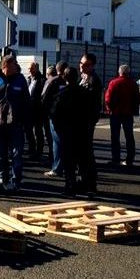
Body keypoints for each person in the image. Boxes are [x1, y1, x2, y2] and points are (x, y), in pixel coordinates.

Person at [0, 55, 30, 192]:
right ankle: (3, 178)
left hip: (16, 124)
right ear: (6, 66)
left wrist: (25, 121)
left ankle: (15, 181)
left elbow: (26, 102)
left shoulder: (20, 80)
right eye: (14, 63)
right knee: (1, 153)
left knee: (16, 154)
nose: (17, 66)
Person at [50, 67, 89, 197]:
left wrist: (58, 128)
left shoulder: (62, 93)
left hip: (67, 131)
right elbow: (92, 110)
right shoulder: (84, 92)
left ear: (64, 78)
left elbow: (54, 113)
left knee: (68, 161)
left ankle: (70, 186)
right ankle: (85, 184)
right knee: (82, 159)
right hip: (82, 130)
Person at [105, 65, 140, 167]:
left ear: (119, 72)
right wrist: (133, 109)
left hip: (115, 113)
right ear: (128, 72)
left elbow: (108, 99)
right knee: (129, 136)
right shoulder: (133, 83)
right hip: (128, 113)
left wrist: (109, 109)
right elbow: (137, 99)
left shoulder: (113, 83)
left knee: (115, 137)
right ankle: (129, 159)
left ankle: (116, 159)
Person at [78, 53, 101, 192]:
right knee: (82, 152)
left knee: (86, 152)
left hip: (86, 121)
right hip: (80, 121)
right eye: (81, 63)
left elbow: (90, 103)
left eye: (85, 64)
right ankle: (84, 179)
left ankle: (90, 182)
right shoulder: (83, 78)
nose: (82, 66)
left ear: (92, 66)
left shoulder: (93, 81)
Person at [42, 61, 68, 177]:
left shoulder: (53, 81)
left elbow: (43, 98)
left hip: (55, 116)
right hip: (67, 116)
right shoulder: (69, 81)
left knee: (56, 142)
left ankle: (57, 168)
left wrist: (49, 111)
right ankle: (66, 166)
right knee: (66, 142)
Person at [25, 62, 45, 160]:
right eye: (29, 69)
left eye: (32, 68)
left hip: (38, 111)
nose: (30, 70)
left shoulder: (42, 80)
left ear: (36, 68)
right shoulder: (29, 79)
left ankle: (39, 152)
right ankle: (31, 150)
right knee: (28, 131)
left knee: (38, 132)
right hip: (28, 110)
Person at [41, 65, 57, 165]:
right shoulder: (61, 81)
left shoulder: (49, 82)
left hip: (49, 113)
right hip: (57, 114)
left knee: (50, 136)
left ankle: (52, 156)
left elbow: (44, 98)